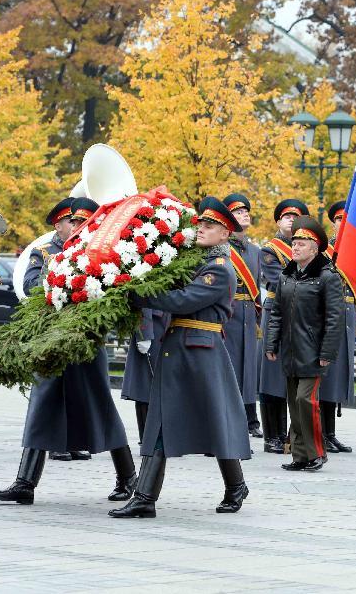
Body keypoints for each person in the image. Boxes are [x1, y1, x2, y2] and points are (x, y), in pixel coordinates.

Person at [110, 197, 252, 517]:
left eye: (210, 226)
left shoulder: (219, 269)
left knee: (215, 420)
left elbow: (184, 300)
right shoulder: (194, 262)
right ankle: (145, 497)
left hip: (202, 353)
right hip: (180, 349)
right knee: (160, 420)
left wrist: (139, 294)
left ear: (225, 234)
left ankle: (235, 485)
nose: (201, 228)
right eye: (201, 223)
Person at [0, 197, 136, 505]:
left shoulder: (103, 253)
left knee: (100, 406)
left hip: (86, 340)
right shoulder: (44, 252)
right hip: (51, 340)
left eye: (85, 222)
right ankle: (25, 482)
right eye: (75, 221)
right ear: (60, 225)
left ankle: (127, 477)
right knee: (41, 405)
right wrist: (61, 272)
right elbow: (31, 287)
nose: (80, 227)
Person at [265, 216, 344, 471]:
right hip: (290, 350)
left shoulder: (327, 276)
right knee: (294, 403)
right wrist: (271, 343)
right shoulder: (286, 275)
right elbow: (276, 312)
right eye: (294, 243)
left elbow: (334, 318)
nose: (295, 247)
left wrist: (327, 351)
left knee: (305, 401)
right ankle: (300, 456)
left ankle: (317, 453)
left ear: (314, 249)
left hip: (313, 351)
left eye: (301, 244)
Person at [258, 199, 309, 453]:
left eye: (295, 217)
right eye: (286, 217)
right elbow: (279, 281)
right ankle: (272, 436)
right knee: (272, 377)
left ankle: (292, 435)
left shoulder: (310, 250)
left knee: (294, 375)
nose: (291, 220)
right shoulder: (270, 250)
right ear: (278, 221)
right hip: (276, 312)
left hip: (301, 315)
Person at [222, 193, 264, 439]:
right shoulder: (222, 249)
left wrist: (258, 318)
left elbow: (256, 285)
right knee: (230, 366)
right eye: (238, 212)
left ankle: (250, 419)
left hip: (249, 313)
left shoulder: (255, 251)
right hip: (230, 313)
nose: (245, 215)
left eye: (246, 212)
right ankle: (229, 417)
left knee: (249, 368)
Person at [319, 201, 355, 453]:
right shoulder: (324, 252)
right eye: (340, 219)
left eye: (348, 220)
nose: (343, 224)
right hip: (328, 317)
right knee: (327, 376)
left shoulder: (355, 252)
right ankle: (322, 432)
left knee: (338, 376)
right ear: (333, 223)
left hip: (348, 317)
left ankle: (330, 433)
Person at [122, 307, 168, 446]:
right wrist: (144, 333)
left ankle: (159, 438)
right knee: (146, 387)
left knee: (162, 386)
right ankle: (149, 439)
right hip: (154, 327)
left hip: (167, 325)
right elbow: (143, 302)